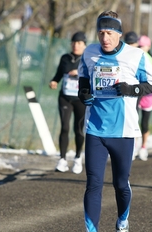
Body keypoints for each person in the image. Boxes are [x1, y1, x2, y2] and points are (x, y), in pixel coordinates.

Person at [76, 10, 152, 232]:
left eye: (109, 33)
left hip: (124, 132)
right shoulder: (89, 53)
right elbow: (83, 78)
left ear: (119, 34)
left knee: (121, 184)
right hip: (95, 129)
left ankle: (122, 226)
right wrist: (83, 93)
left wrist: (132, 88)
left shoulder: (136, 56)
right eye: (101, 32)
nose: (104, 38)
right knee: (93, 183)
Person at [49, 31, 87, 174]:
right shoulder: (65, 58)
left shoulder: (87, 59)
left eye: (79, 43)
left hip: (80, 99)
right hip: (65, 96)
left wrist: (79, 73)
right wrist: (54, 81)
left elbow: (92, 75)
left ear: (84, 45)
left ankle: (77, 158)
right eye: (73, 43)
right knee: (64, 127)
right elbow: (59, 73)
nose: (75, 45)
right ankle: (62, 159)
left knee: (78, 129)